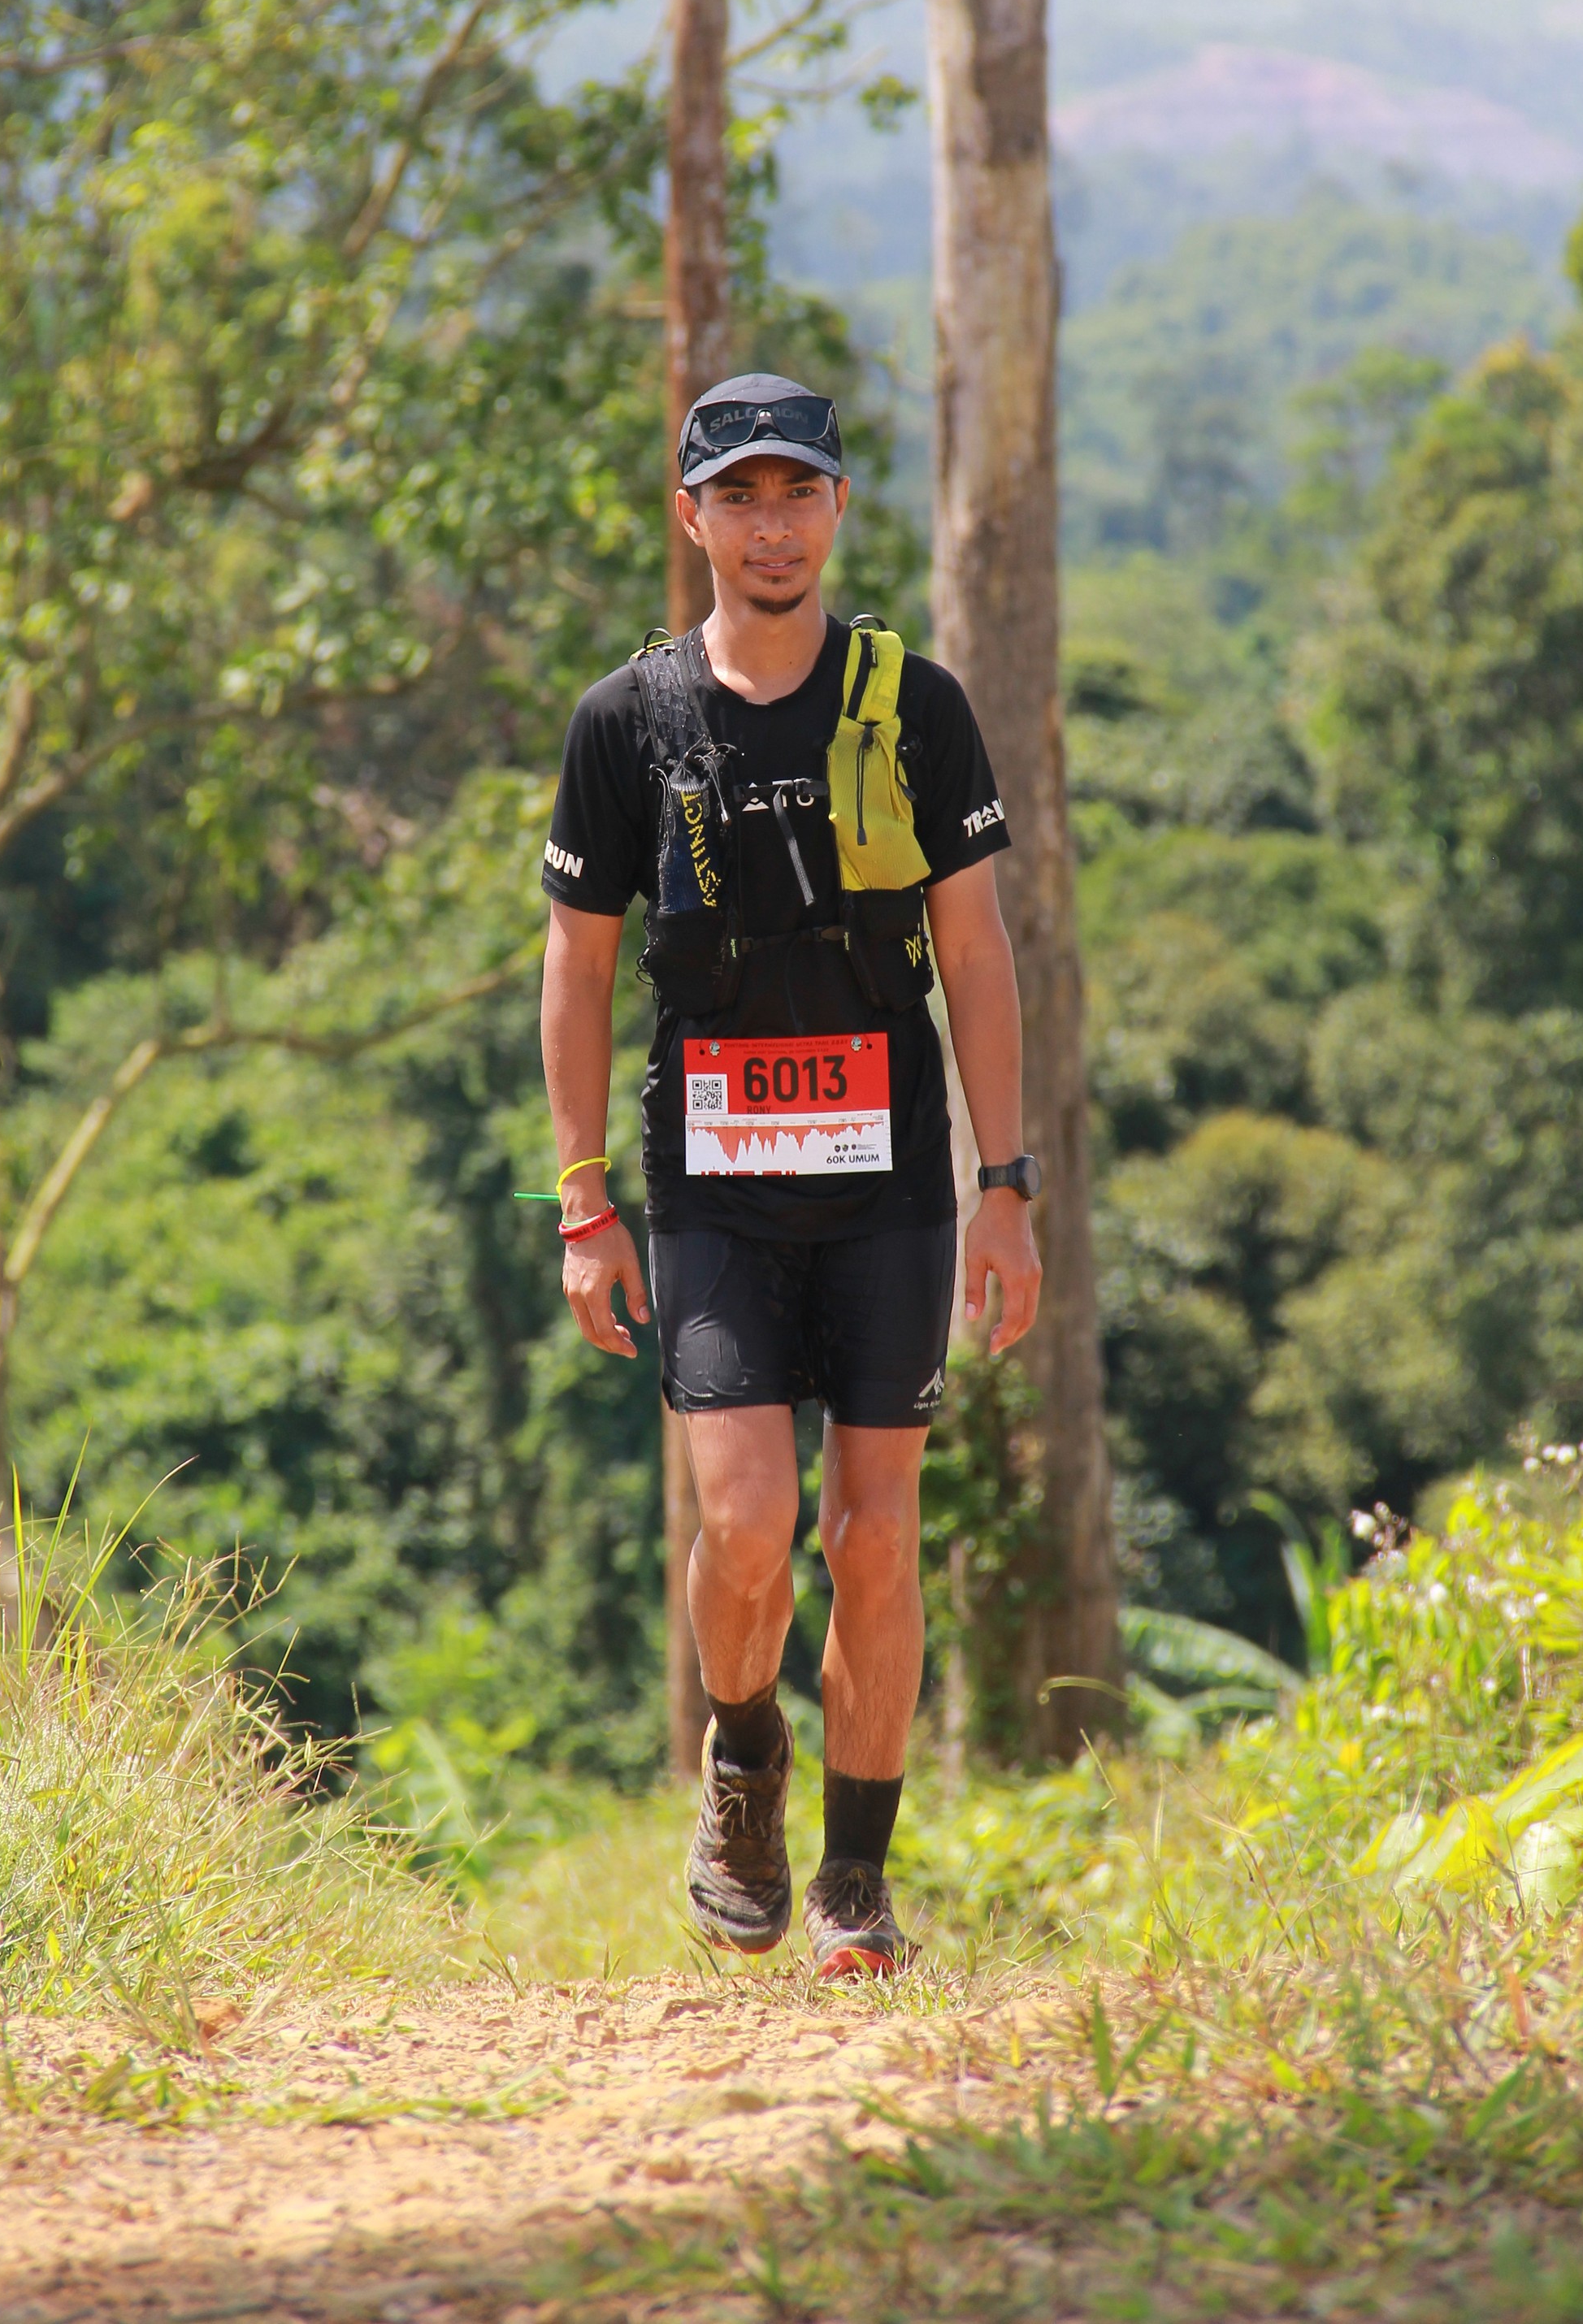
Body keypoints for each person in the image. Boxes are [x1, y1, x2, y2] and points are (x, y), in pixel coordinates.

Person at [538, 371, 1042, 1976]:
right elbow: (577, 965)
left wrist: (1007, 1183)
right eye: (740, 497)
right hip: (714, 1178)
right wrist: (582, 1202)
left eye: (798, 492)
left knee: (875, 1538)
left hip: (889, 1172)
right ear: (691, 517)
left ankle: (855, 1886)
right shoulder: (627, 722)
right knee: (748, 1520)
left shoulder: (918, 706)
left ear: (836, 509)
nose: (772, 526)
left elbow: (977, 949)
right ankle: (745, 1758)